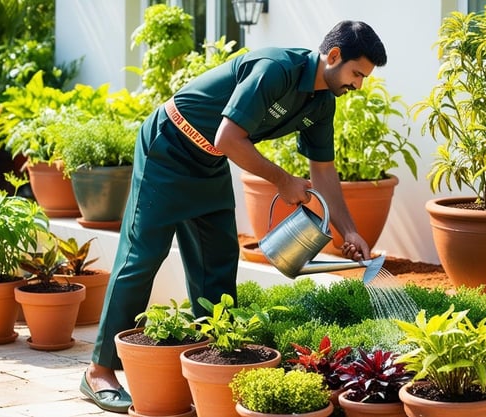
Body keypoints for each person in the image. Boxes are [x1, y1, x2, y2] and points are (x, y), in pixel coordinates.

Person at [80, 20, 387, 413]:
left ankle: (208, 364)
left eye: (364, 77)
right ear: (333, 56)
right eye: (356, 73)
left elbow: (323, 171)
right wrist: (281, 180)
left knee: (218, 264)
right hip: (170, 144)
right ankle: (99, 371)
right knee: (142, 258)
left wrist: (351, 232)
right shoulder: (276, 69)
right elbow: (228, 136)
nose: (358, 85)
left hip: (209, 162)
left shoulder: (322, 103)